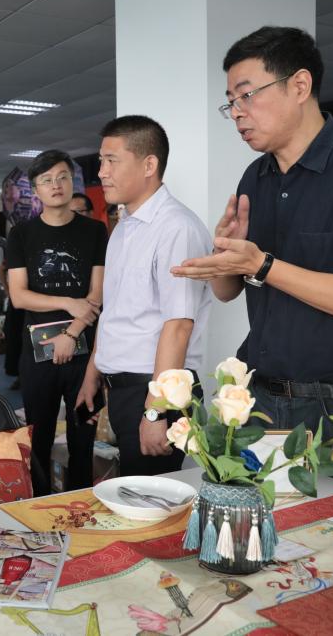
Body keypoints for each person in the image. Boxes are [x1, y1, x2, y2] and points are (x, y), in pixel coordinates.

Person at [171, 26, 333, 498]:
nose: (237, 113)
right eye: (229, 102)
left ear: (300, 85)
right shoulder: (255, 177)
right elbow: (230, 291)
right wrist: (227, 259)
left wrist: (263, 264)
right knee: (258, 536)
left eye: (247, 95)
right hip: (263, 400)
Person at [75, 115, 213, 477]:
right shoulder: (124, 227)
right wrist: (94, 371)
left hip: (156, 393)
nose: (101, 172)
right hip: (125, 390)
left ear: (149, 165)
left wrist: (155, 411)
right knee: (132, 494)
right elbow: (115, 310)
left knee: (151, 501)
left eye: (111, 161)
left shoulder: (176, 227)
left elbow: (179, 325)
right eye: (101, 161)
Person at [6, 150, 107, 494]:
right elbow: (19, 296)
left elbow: (97, 294)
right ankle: (37, 507)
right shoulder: (22, 234)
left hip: (83, 354)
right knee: (39, 439)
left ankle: (82, 508)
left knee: (83, 438)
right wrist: (67, 302)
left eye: (62, 177)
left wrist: (72, 332)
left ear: (72, 181)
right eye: (46, 180)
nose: (56, 185)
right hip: (37, 353)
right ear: (36, 190)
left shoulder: (95, 231)